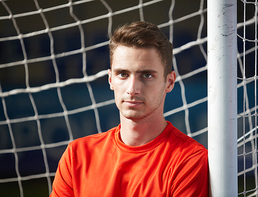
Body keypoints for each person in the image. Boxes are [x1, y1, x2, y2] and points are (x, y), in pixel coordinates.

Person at [50, 21, 208, 197]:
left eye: (147, 75)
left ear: (169, 82)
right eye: (123, 74)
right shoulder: (77, 156)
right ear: (110, 79)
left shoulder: (190, 160)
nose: (132, 89)